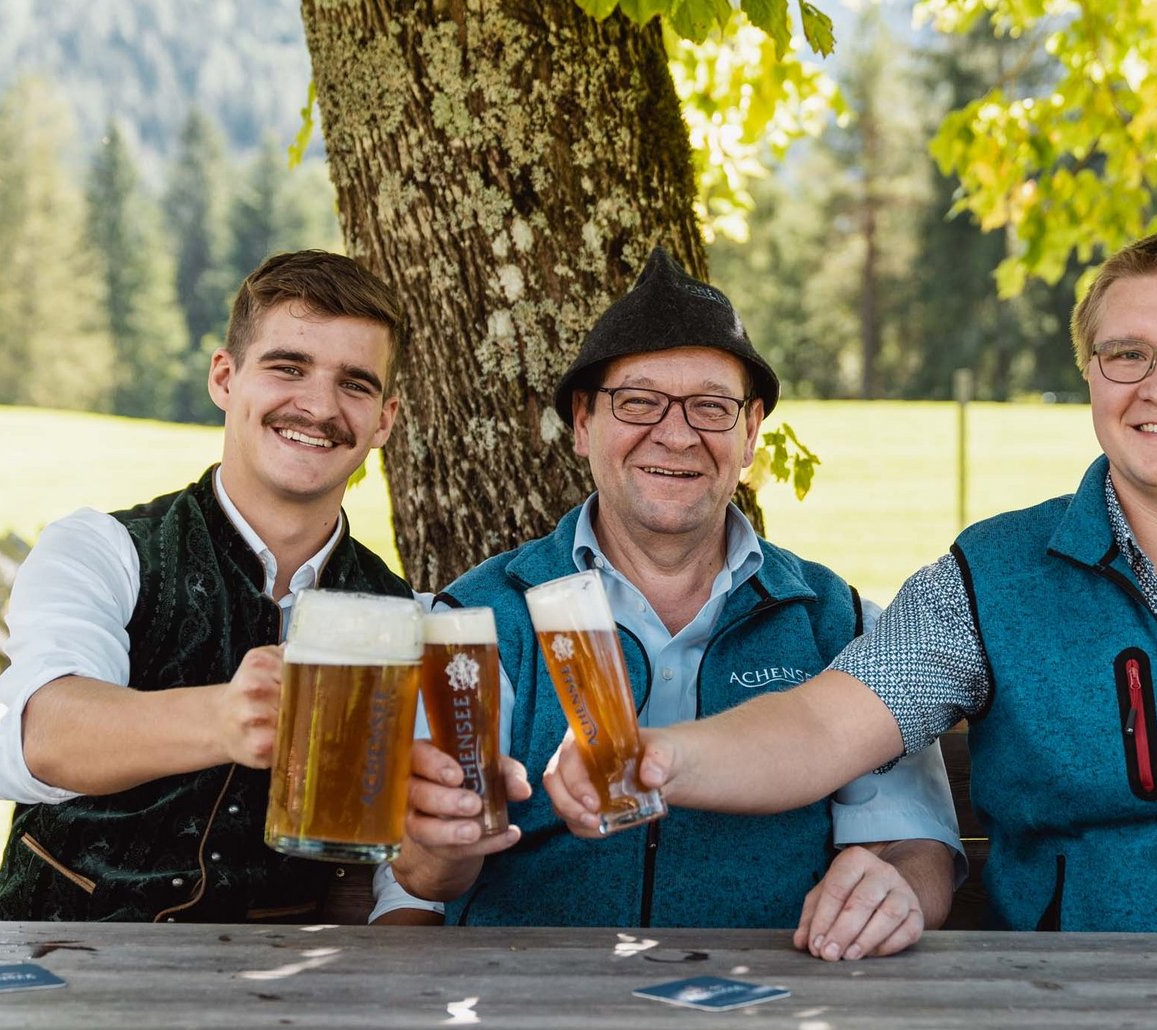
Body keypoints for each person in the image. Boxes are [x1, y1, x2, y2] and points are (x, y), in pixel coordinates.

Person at [544, 231, 1157, 988]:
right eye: (1125, 353)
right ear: (1090, 374)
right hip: (1051, 1012)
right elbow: (821, 724)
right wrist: (657, 756)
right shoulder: (990, 575)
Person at [382, 247, 962, 959]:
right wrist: (440, 848)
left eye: (712, 407)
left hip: (775, 1008)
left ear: (750, 435)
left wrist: (895, 888)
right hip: (531, 1019)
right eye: (639, 402)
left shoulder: (833, 619)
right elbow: (414, 889)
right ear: (582, 423)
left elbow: (916, 848)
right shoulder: (477, 621)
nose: (677, 433)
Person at [0, 250, 413, 922]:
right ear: (225, 378)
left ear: (384, 420)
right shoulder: (101, 549)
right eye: (287, 367)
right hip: (58, 967)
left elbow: (373, 875)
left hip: (270, 997)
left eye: (355, 384)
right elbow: (48, 736)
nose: (319, 406)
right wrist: (223, 718)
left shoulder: (401, 614)